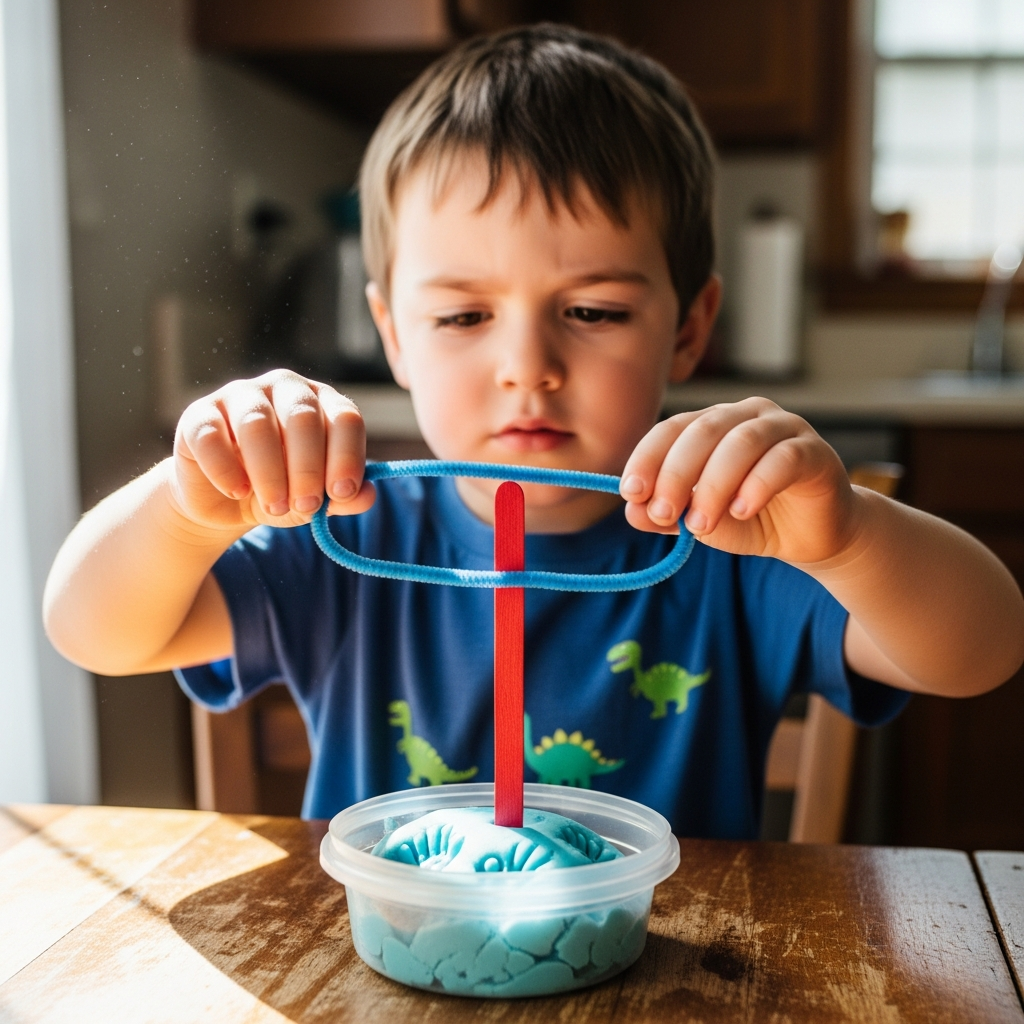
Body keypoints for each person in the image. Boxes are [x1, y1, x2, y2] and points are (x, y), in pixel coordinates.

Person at [44, 25, 1024, 834]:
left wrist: (846, 536)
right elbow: (91, 631)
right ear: (391, 335)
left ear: (687, 328)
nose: (527, 364)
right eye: (464, 316)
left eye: (592, 311)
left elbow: (983, 647)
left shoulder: (741, 547)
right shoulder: (341, 536)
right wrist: (185, 507)